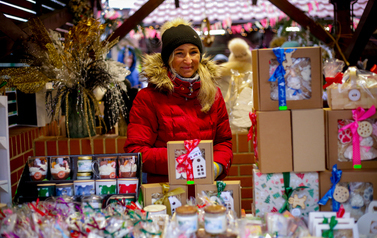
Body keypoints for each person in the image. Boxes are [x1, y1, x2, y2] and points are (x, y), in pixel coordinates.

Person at [123, 18, 233, 183]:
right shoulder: (148, 98)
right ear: (168, 58)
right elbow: (136, 152)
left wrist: (217, 165)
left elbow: (224, 142)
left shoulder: (213, 94)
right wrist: (185, 160)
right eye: (179, 53)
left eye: (193, 52)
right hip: (164, 192)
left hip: (205, 190)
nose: (188, 60)